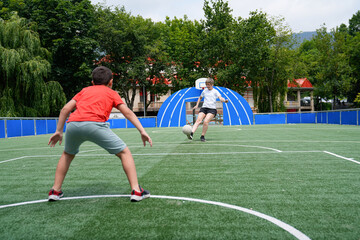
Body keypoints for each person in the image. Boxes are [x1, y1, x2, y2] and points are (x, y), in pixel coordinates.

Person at [48, 66, 152, 202]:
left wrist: (58, 131)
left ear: (92, 82)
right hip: (95, 125)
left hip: (73, 124)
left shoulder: (84, 91)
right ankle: (136, 191)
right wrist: (142, 131)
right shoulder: (111, 93)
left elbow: (65, 109)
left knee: (67, 154)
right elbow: (127, 112)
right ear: (111, 82)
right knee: (124, 153)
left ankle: (55, 191)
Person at [189, 78, 228, 142]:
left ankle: (202, 136)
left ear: (212, 84)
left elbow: (220, 98)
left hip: (212, 109)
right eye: (206, 84)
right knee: (198, 120)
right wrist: (196, 105)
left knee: (205, 121)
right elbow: (200, 98)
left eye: (209, 85)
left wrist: (224, 101)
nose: (207, 86)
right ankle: (191, 133)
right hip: (204, 108)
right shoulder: (204, 91)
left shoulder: (215, 91)